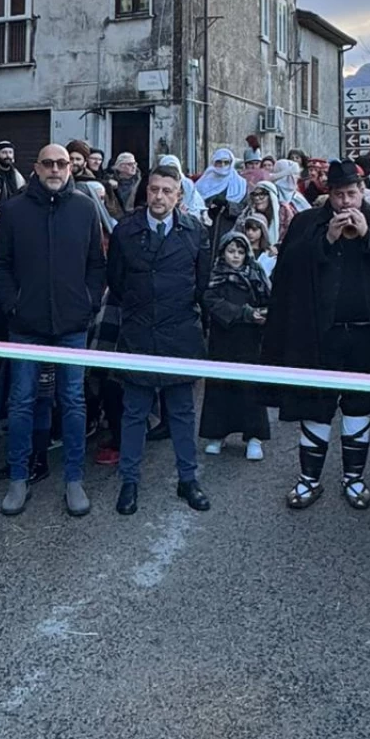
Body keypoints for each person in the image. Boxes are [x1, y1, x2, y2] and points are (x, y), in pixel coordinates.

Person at [263, 159, 370, 512]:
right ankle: (309, 479)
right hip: (321, 335)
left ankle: (354, 478)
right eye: (338, 195)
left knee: (358, 406)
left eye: (351, 194)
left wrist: (368, 236)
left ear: (362, 191)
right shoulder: (308, 223)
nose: (345, 202)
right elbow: (288, 272)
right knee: (317, 407)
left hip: (366, 336)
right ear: (330, 195)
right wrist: (326, 240)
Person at [0, 144, 105, 519]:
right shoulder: (14, 210)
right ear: (37, 168)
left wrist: (88, 302)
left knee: (72, 401)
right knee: (21, 401)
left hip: (72, 325)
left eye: (62, 164)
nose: (56, 169)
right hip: (26, 325)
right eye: (49, 164)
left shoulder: (85, 209)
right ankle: (18, 477)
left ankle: (74, 479)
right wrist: (13, 304)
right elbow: (0, 264)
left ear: (70, 168)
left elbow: (96, 264)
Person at [105, 163, 211, 516]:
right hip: (138, 332)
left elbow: (201, 284)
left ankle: (188, 479)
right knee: (134, 412)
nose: (159, 197)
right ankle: (129, 481)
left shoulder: (194, 232)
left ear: (179, 196)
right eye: (154, 189)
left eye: (167, 191)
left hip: (179, 333)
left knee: (181, 411)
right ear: (146, 191)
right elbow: (117, 282)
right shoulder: (125, 231)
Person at [200, 231, 272, 460]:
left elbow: (268, 299)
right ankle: (216, 433)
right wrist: (244, 313)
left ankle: (254, 437)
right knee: (219, 387)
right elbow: (211, 301)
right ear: (222, 253)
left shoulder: (256, 275)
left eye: (240, 252)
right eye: (231, 251)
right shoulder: (215, 276)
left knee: (250, 387)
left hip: (249, 340)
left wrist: (262, 314)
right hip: (222, 340)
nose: (235, 256)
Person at [240, 211, 278, 278]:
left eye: (254, 229)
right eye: (248, 229)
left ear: (262, 231)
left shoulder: (268, 254)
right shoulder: (241, 250)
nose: (250, 233)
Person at [106, 153, 142, 221]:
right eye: (130, 164)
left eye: (135, 163)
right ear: (120, 166)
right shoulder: (109, 182)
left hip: (135, 218)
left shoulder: (141, 182)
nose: (134, 166)